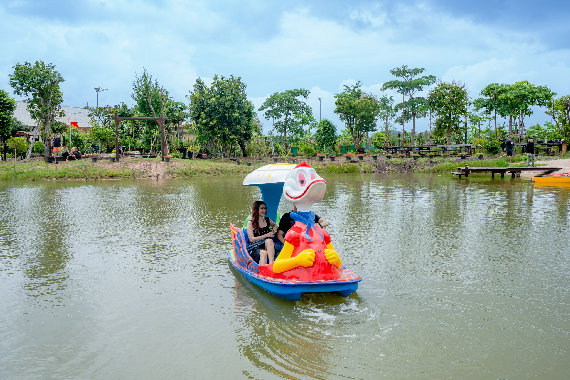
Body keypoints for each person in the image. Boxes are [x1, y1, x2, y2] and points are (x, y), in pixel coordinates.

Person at [246, 201, 277, 265]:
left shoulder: (267, 220)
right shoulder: (251, 223)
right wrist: (267, 235)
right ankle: (261, 273)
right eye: (262, 208)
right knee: (264, 253)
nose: (264, 210)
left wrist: (274, 229)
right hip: (255, 246)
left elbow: (275, 225)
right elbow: (251, 239)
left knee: (269, 241)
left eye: (265, 208)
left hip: (267, 245)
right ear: (256, 209)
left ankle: (271, 264)